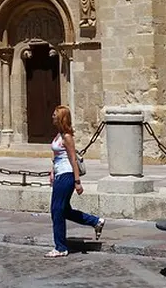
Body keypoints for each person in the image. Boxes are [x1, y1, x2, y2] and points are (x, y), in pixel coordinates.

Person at [45, 105, 104, 258]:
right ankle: (95, 221)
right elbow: (57, 157)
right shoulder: (59, 135)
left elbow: (72, 159)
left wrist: (77, 182)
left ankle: (60, 247)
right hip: (59, 174)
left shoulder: (67, 137)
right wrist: (52, 171)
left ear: (61, 118)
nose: (52, 116)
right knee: (64, 210)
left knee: (56, 210)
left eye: (55, 114)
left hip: (67, 175)